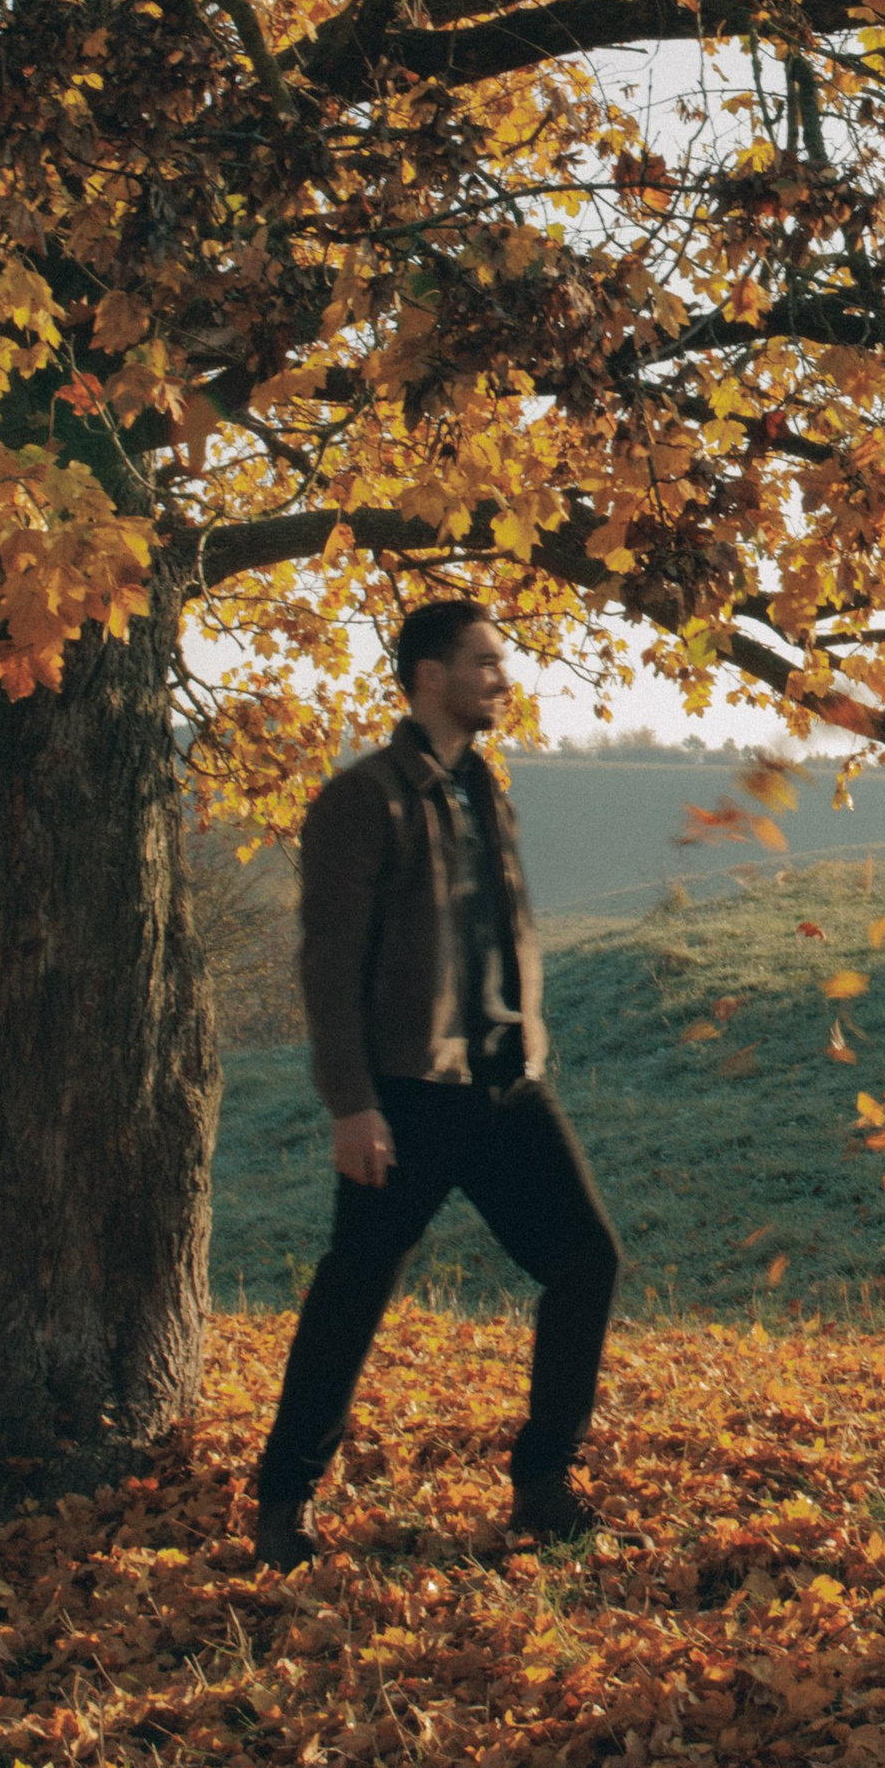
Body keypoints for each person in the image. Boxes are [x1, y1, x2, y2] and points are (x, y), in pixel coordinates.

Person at [251, 600, 621, 1567]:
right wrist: (351, 1104)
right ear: (428, 675)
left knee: (586, 1261)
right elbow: (328, 965)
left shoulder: (483, 788)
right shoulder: (360, 800)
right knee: (355, 1292)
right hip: (408, 1097)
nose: (502, 679)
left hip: (507, 1088)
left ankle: (545, 1481)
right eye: (485, 662)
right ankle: (283, 1503)